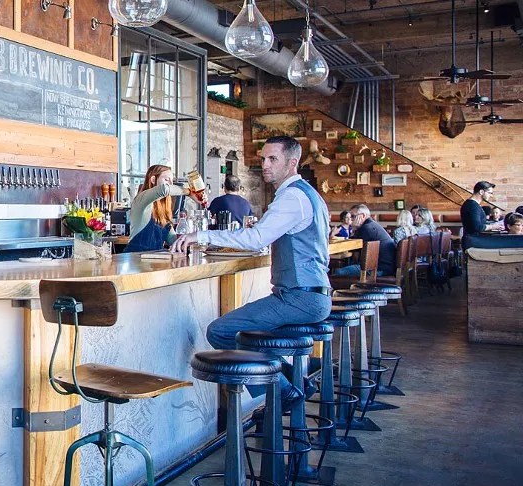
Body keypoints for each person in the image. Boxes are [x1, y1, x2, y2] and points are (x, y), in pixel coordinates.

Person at [171, 136, 330, 408]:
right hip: (310, 295)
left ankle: (285, 394)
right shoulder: (308, 195)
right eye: (263, 158)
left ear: (292, 163)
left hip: (300, 298)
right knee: (243, 336)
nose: (264, 164)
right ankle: (292, 382)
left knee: (221, 331)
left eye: (272, 159)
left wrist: (203, 236)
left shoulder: (293, 197)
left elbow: (257, 239)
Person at [124, 165, 198, 253]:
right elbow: (164, 189)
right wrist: (189, 192)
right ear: (153, 180)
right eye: (166, 180)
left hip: (154, 263)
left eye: (172, 181)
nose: (170, 184)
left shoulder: (162, 210)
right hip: (135, 260)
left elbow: (172, 239)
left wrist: (189, 239)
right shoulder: (141, 200)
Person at [335, 204, 397, 278]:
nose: (351, 219)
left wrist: (354, 228)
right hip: (386, 267)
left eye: (353, 216)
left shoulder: (366, 228)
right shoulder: (372, 225)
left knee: (338, 272)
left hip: (379, 269)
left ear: (363, 216)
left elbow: (353, 247)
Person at [461, 181, 496, 249]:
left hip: (473, 240)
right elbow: (477, 227)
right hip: (473, 242)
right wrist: (493, 226)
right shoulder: (472, 205)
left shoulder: (473, 204)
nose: (491, 196)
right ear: (481, 192)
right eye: (490, 193)